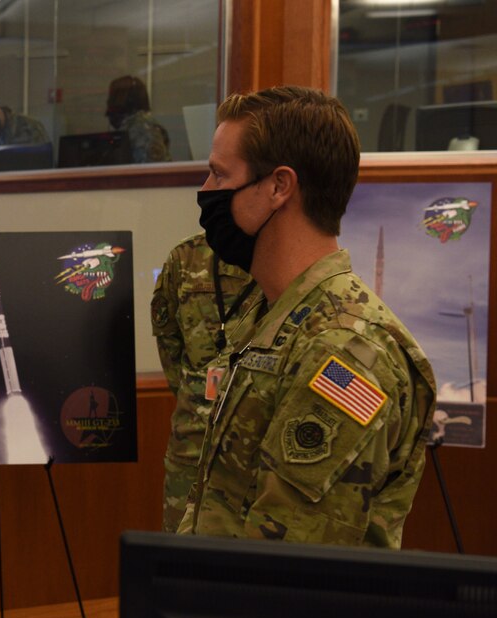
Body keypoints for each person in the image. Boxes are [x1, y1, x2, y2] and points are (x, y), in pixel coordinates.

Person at [178, 86, 435, 548]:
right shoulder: (271, 313)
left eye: (219, 174)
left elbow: (292, 562)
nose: (205, 191)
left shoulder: (343, 350)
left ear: (279, 186)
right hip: (219, 609)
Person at [151, 234, 257, 532]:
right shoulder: (184, 259)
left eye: (223, 181)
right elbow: (169, 345)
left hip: (260, 456)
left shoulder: (281, 257)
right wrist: (199, 400)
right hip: (192, 447)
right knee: (183, 557)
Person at [105, 75, 171, 163]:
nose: (108, 101)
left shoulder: (143, 131)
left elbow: (151, 171)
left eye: (112, 97)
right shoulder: (132, 128)